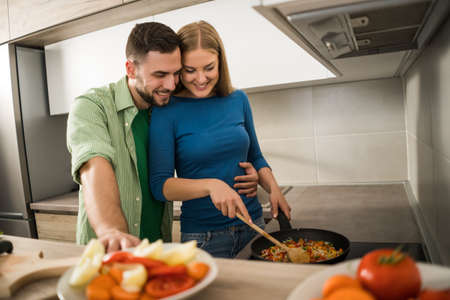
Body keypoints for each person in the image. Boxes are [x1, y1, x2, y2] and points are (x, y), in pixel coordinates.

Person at [67, 21, 260, 252]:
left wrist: (254, 172)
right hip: (110, 251)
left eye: (176, 73)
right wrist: (111, 231)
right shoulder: (92, 106)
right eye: (160, 75)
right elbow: (94, 167)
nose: (170, 85)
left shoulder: (161, 109)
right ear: (130, 69)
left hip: (156, 248)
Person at [148, 21, 291, 258]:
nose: (201, 78)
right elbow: (160, 186)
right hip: (204, 237)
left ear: (220, 63)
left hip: (253, 225)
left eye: (209, 68)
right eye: (190, 70)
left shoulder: (238, 99)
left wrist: (273, 187)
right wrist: (211, 185)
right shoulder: (166, 111)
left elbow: (255, 156)